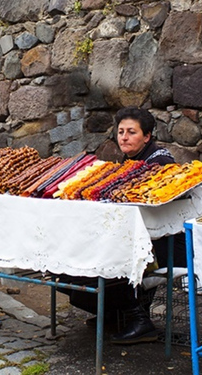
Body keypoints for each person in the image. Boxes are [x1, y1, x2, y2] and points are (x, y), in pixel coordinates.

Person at [60, 107, 181, 345]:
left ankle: (138, 320)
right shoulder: (130, 161)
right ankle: (116, 314)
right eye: (121, 132)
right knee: (71, 259)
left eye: (131, 132)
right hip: (138, 240)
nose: (123, 137)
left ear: (147, 136)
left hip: (164, 246)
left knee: (105, 259)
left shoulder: (161, 163)